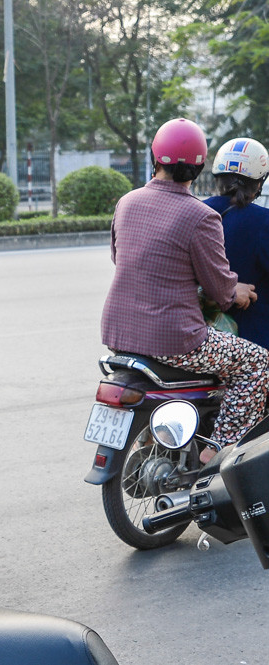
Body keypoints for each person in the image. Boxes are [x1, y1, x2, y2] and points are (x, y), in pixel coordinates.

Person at [101, 118, 269, 460]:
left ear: (155, 158)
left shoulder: (127, 202)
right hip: (175, 338)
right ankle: (218, 453)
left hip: (118, 331)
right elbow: (221, 290)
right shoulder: (198, 215)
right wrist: (235, 289)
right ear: (199, 166)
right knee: (258, 364)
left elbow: (120, 258)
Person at [203, 137, 269, 348]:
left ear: (218, 178)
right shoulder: (263, 221)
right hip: (252, 341)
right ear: (259, 183)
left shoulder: (194, 212)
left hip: (201, 337)